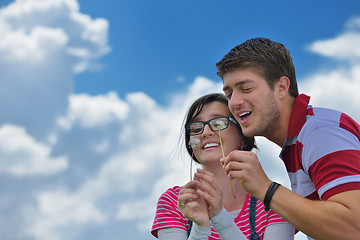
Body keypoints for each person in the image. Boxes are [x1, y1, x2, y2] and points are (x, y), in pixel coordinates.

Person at [216, 37, 360, 240]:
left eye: (246, 88)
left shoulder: (319, 131)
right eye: (229, 94)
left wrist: (266, 188)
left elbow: (355, 228)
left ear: (282, 87)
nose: (235, 102)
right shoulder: (299, 140)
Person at [151, 93, 294, 240]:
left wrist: (220, 218)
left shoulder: (276, 200)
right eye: (196, 127)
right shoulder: (174, 202)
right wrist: (200, 228)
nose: (205, 132)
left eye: (218, 123)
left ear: (243, 138)